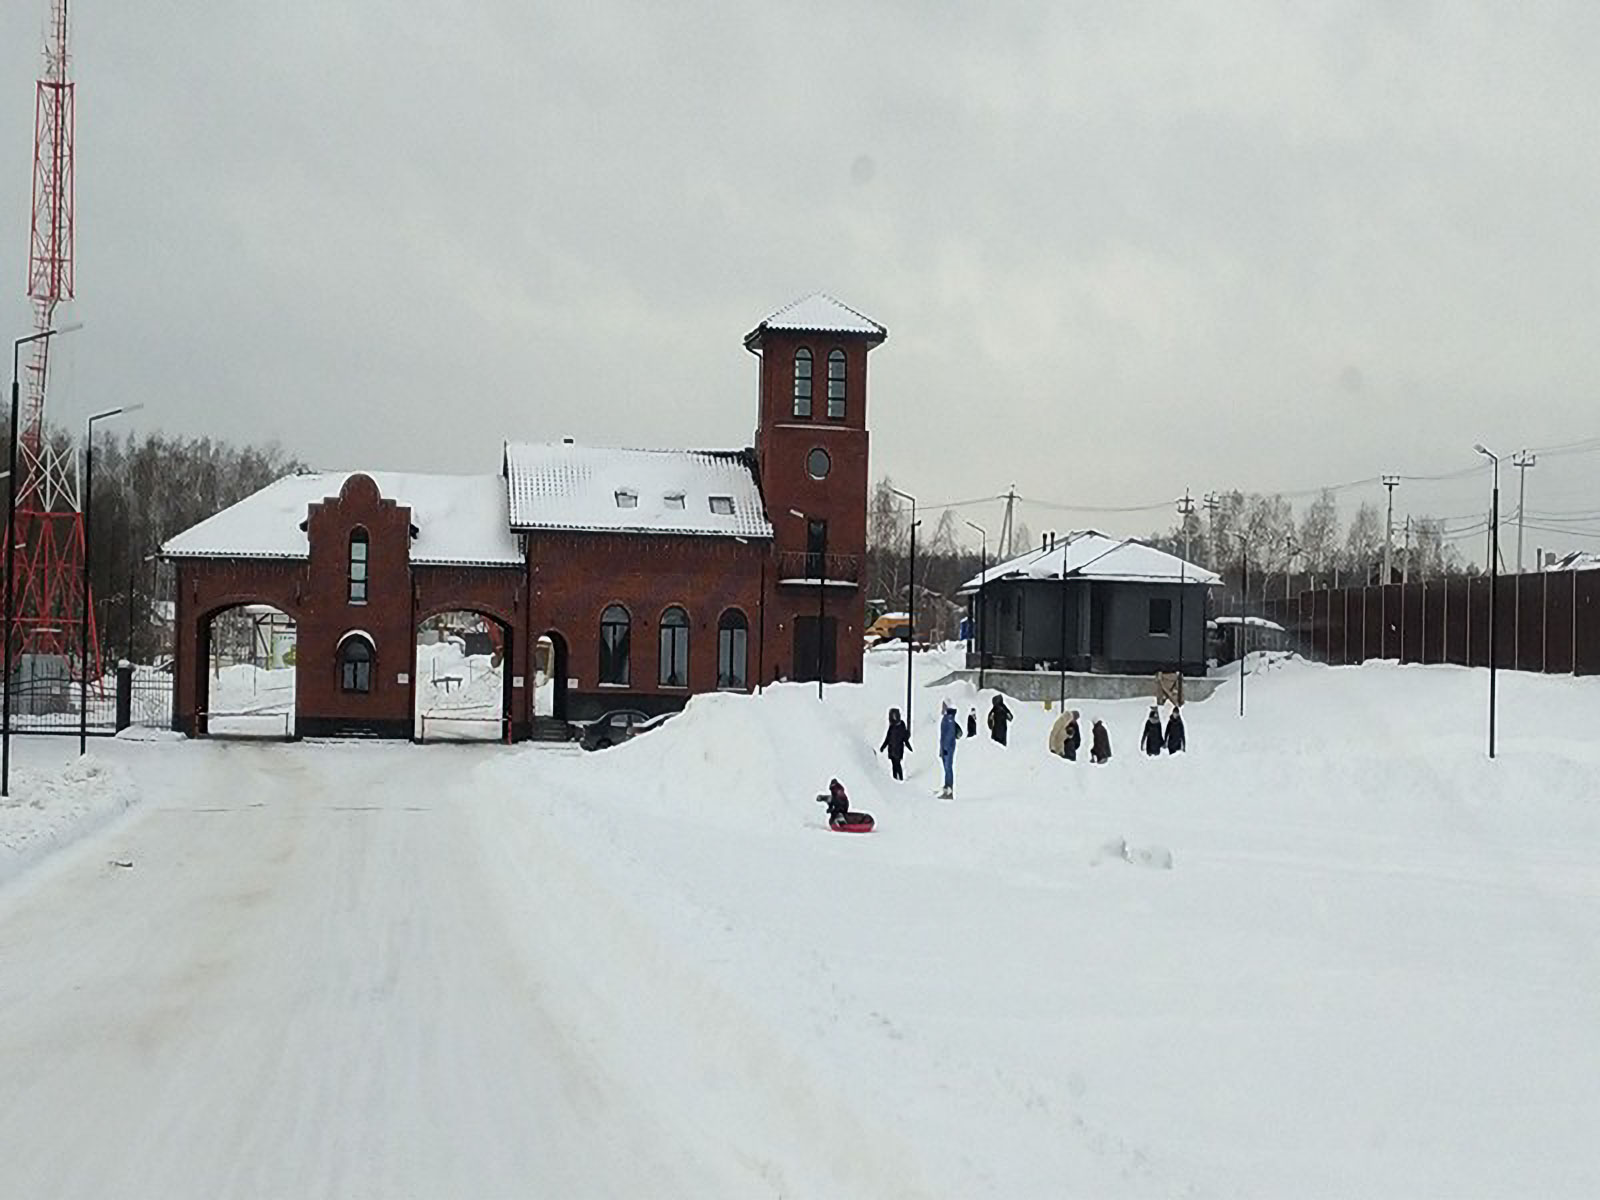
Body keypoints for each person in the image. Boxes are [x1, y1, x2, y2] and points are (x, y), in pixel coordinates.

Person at [879, 707, 912, 780]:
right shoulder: (891, 727)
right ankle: (895, 779)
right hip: (892, 749)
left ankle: (900, 778)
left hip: (898, 749)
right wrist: (883, 747)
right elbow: (888, 738)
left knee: (897, 764)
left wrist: (909, 746)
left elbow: (904, 738)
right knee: (893, 764)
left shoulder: (901, 725)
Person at [938, 700, 962, 798]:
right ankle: (947, 788)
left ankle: (949, 790)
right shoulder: (947, 718)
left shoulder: (949, 719)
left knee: (948, 768)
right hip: (945, 748)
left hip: (948, 748)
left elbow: (948, 735)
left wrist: (945, 748)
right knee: (946, 768)